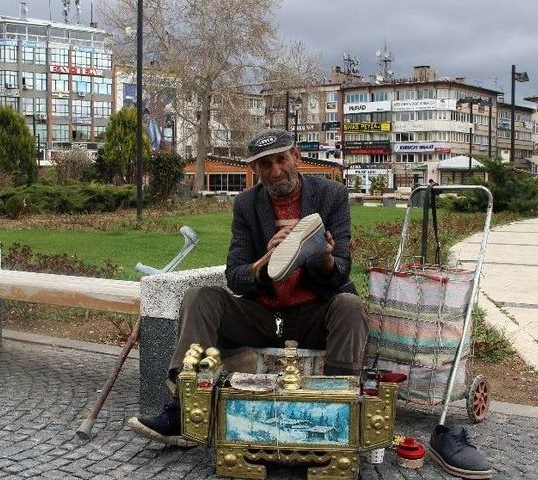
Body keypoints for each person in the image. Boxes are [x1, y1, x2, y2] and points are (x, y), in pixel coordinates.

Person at [129, 128, 367, 446]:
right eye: (264, 165)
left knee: (351, 306)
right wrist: (267, 261)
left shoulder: (330, 195)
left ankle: (338, 410)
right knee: (201, 297)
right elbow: (236, 276)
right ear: (254, 169)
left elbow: (340, 271)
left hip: (314, 314)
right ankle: (183, 410)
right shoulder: (246, 204)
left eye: (281, 160)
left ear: (296, 157)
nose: (275, 171)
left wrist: (321, 257)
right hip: (263, 316)